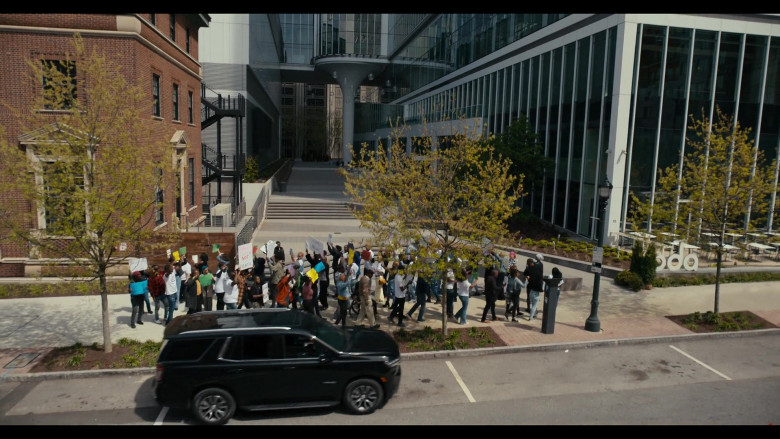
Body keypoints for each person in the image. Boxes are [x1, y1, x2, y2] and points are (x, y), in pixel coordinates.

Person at [523, 256, 545, 321]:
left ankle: (531, 311)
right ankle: (531, 316)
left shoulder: (528, 268)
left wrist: (527, 277)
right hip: (536, 287)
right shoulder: (538, 266)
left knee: (531, 300)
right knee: (534, 304)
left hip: (531, 287)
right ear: (532, 262)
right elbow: (539, 263)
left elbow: (524, 274)